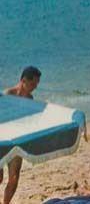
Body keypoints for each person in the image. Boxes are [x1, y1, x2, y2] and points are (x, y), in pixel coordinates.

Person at [1, 66, 42, 204]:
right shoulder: (7, 95)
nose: (35, 87)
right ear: (23, 80)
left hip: (17, 141)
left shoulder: (30, 99)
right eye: (33, 84)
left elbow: (30, 121)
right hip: (1, 140)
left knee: (14, 178)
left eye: (36, 84)